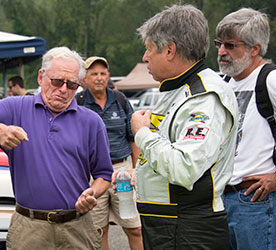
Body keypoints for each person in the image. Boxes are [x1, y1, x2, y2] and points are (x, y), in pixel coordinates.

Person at [0, 46, 114, 250]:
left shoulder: (91, 122)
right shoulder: (16, 108)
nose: (64, 90)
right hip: (30, 228)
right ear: (41, 77)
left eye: (72, 85)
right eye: (57, 81)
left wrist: (92, 193)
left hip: (77, 227)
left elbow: (104, 174)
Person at [114, 4, 239, 250]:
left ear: (170, 50)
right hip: (170, 224)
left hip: (188, 227)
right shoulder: (179, 89)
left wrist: (142, 132)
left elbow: (184, 169)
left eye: (149, 49)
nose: (145, 57)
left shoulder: (204, 97)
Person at [215, 8, 276, 250]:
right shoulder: (222, 83)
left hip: (258, 201)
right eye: (219, 44)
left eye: (230, 45)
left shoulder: (274, 80)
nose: (222, 52)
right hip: (222, 199)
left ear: (255, 48)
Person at [78, 56, 143, 250]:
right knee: (99, 230)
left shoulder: (120, 100)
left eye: (103, 73)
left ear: (108, 76)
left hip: (122, 171)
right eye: (94, 74)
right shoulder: (78, 102)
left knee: (135, 228)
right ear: (85, 79)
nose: (99, 78)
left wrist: (135, 169)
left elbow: (133, 137)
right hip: (92, 174)